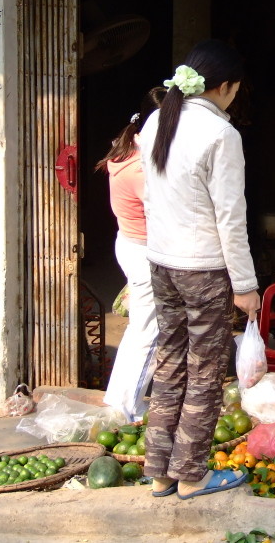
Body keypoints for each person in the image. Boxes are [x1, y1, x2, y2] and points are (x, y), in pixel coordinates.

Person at [138, 39, 261, 499]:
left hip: (162, 262)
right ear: (225, 86)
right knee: (205, 370)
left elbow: (150, 197)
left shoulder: (156, 121)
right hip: (204, 270)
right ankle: (192, 475)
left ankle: (159, 472)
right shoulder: (221, 135)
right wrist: (246, 286)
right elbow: (231, 216)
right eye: (235, 90)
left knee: (168, 363)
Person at [96, 87, 166, 424]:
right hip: (144, 251)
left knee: (140, 327)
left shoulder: (125, 149)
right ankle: (127, 411)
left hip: (131, 244)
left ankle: (118, 400)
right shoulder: (141, 168)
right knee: (149, 331)